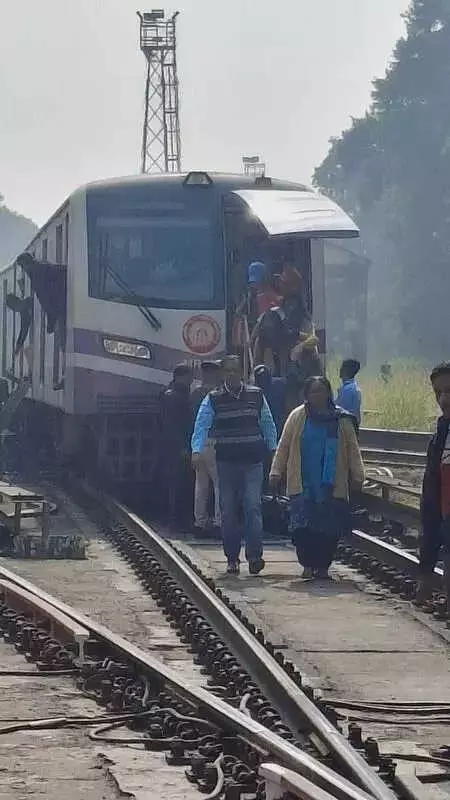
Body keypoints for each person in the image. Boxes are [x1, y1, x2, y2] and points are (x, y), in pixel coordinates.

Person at [269, 376, 364, 579]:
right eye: (313, 391)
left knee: (328, 530)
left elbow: (353, 450)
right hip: (303, 484)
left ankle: (322, 567)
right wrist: (276, 471)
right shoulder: (297, 416)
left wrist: (358, 475)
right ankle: (307, 564)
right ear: (307, 395)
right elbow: (284, 445)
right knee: (302, 530)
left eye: (321, 391)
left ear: (329, 393)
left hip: (331, 485)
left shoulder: (342, 420)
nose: (317, 395)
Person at [191, 355, 277, 575]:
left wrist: (273, 448)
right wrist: (196, 450)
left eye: (235, 370)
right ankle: (232, 558)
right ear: (222, 374)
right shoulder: (213, 399)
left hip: (252, 462)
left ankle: (255, 555)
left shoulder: (256, 396)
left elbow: (267, 422)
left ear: (241, 373)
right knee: (228, 511)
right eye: (227, 371)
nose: (231, 374)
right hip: (226, 462)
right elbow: (201, 425)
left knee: (252, 507)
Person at [417, 363, 450, 613]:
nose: (444, 399)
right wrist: (425, 572)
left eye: (449, 391)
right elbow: (431, 497)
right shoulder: (441, 434)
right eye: (438, 393)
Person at [191, 361, 223, 534]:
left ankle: (199, 522)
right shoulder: (217, 394)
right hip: (213, 441)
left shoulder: (195, 393)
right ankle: (219, 522)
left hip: (198, 444)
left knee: (201, 485)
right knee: (219, 484)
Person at [160, 363, 194, 527]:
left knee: (182, 482)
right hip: (176, 447)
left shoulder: (179, 394)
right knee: (177, 482)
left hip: (182, 445)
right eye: (189, 376)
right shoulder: (172, 396)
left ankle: (179, 518)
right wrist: (181, 447)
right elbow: (172, 425)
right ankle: (175, 519)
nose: (191, 380)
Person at [336, 359, 362, 429]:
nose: (339, 370)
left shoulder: (347, 390)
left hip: (346, 426)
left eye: (342, 367)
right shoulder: (353, 388)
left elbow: (340, 409)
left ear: (345, 370)